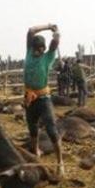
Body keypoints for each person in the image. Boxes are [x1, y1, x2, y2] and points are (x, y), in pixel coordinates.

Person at [24, 23, 64, 176]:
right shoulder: (28, 52)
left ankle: (60, 162)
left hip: (43, 99)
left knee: (51, 130)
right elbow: (31, 30)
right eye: (36, 49)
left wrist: (56, 33)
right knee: (32, 129)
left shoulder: (48, 57)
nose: (37, 52)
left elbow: (55, 43)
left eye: (40, 49)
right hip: (29, 98)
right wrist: (48, 26)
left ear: (43, 49)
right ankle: (35, 154)